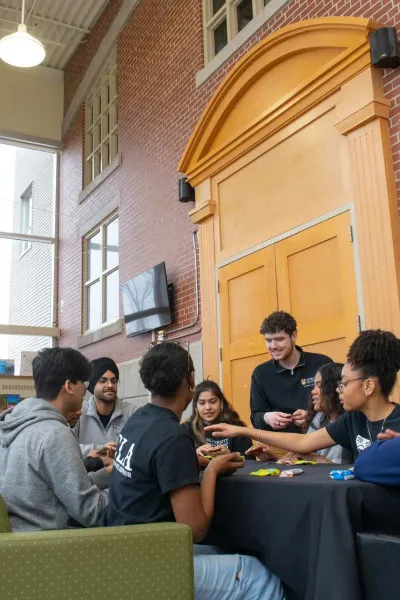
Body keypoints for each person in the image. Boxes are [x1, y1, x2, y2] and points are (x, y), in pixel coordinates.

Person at [108, 341, 284, 600]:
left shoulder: (138, 419)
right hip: (151, 563)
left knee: (227, 553)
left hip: (125, 550)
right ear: (189, 380)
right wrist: (213, 469)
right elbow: (194, 529)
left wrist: (190, 461)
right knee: (262, 577)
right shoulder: (173, 437)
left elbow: (150, 467)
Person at [205, 330, 400, 462]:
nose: (338, 389)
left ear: (368, 386)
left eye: (345, 384)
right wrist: (243, 431)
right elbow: (304, 442)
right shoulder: (353, 419)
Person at [0, 347, 109, 531]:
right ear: (69, 386)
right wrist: (128, 491)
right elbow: (91, 512)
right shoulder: (55, 434)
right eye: (84, 383)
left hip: (23, 543)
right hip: (57, 547)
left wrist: (106, 476)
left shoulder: (14, 424)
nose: (85, 390)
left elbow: (53, 487)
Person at [251, 311, 333, 433]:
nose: (273, 346)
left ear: (294, 336)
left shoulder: (322, 363)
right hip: (279, 443)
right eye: (268, 340)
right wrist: (266, 418)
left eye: (279, 339)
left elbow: (337, 406)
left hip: (317, 438)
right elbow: (255, 417)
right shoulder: (260, 373)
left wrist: (311, 416)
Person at [278, 363, 352, 464]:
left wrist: (316, 459)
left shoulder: (350, 421)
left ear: (334, 389)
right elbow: (303, 449)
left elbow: (344, 472)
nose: (313, 391)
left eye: (319, 386)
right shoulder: (320, 417)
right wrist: (272, 456)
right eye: (314, 386)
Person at [74, 357, 137, 455]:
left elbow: (140, 446)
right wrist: (101, 449)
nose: (110, 385)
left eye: (114, 381)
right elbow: (67, 449)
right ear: (92, 385)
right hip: (89, 469)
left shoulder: (131, 412)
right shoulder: (78, 412)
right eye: (103, 381)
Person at [183, 380, 255, 462]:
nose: (208, 407)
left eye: (213, 402)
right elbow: (177, 461)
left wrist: (230, 455)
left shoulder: (237, 428)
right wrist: (194, 454)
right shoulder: (186, 429)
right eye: (202, 403)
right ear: (196, 406)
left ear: (221, 403)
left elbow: (251, 461)